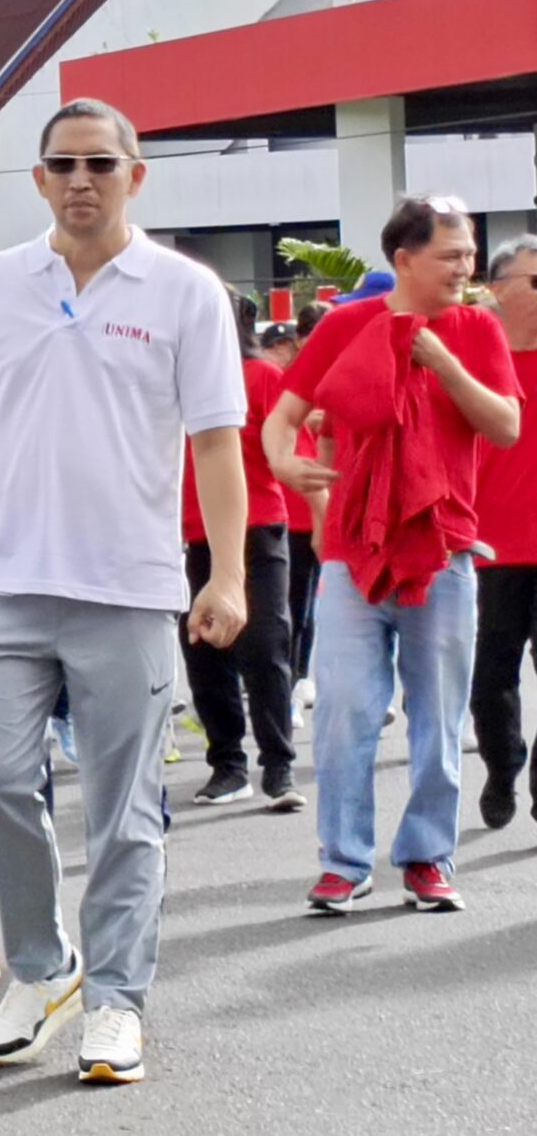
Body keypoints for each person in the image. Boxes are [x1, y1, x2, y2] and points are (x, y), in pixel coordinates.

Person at [0, 99, 249, 1086]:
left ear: (134, 175)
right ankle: (41, 964)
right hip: (3, 581)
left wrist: (223, 572)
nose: (80, 178)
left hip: (127, 588)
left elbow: (214, 441)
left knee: (121, 809)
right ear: (36, 178)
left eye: (99, 162)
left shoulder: (185, 292)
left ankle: (112, 999)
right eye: (61, 162)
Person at [266, 195, 520, 914]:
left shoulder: (475, 328)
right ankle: (343, 862)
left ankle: (427, 856)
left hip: (444, 550)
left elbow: (504, 425)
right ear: (404, 259)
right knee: (346, 709)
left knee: (439, 717)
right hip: (353, 552)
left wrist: (442, 361)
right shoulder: (348, 323)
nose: (465, 266)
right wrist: (284, 463)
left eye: (470, 253)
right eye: (451, 254)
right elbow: (282, 418)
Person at [180, 288, 299, 811]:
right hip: (195, 531)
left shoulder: (264, 377)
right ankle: (227, 764)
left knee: (265, 644)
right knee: (203, 650)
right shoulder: (174, 381)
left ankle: (278, 765)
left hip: (260, 526)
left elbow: (288, 449)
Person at [473, 234, 537, 829]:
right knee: (491, 679)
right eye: (534, 282)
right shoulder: (474, 362)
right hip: (490, 550)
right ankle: (501, 761)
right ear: (498, 288)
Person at [281, 301, 330, 698]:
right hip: (293, 510)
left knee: (325, 605)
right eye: (315, 338)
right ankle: (293, 682)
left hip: (338, 505)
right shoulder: (288, 384)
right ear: (299, 340)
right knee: (296, 604)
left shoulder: (348, 376)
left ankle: (307, 681)